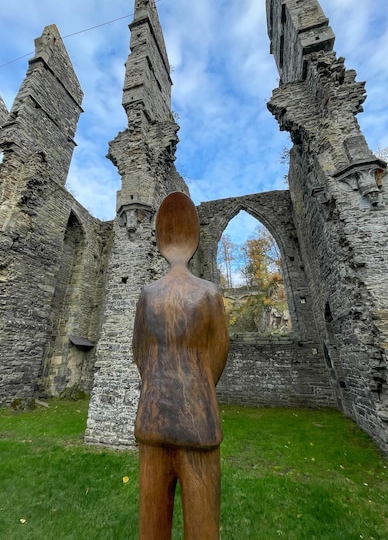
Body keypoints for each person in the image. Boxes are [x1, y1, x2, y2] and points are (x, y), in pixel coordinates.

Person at [133, 191, 229, 540]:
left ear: (160, 241)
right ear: (194, 241)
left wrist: (157, 385)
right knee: (202, 525)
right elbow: (218, 354)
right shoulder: (209, 293)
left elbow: (139, 354)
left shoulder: (147, 294)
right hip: (198, 422)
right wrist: (198, 387)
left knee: (151, 524)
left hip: (151, 417)